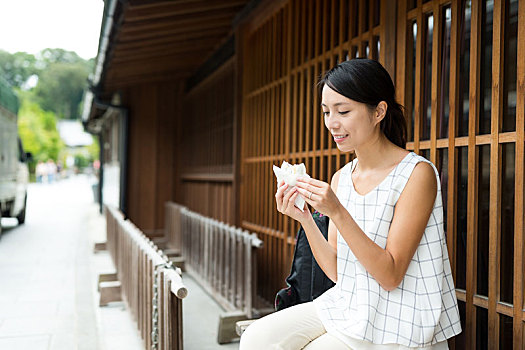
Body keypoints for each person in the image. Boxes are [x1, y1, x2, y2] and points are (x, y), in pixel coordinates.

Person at [240, 59, 461, 349]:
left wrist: (337, 212)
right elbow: (336, 271)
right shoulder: (342, 178)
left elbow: (391, 275)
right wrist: (305, 218)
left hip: (399, 318)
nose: (332, 123)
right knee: (256, 339)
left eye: (343, 111)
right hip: (348, 305)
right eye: (326, 111)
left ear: (379, 111)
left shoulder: (416, 174)